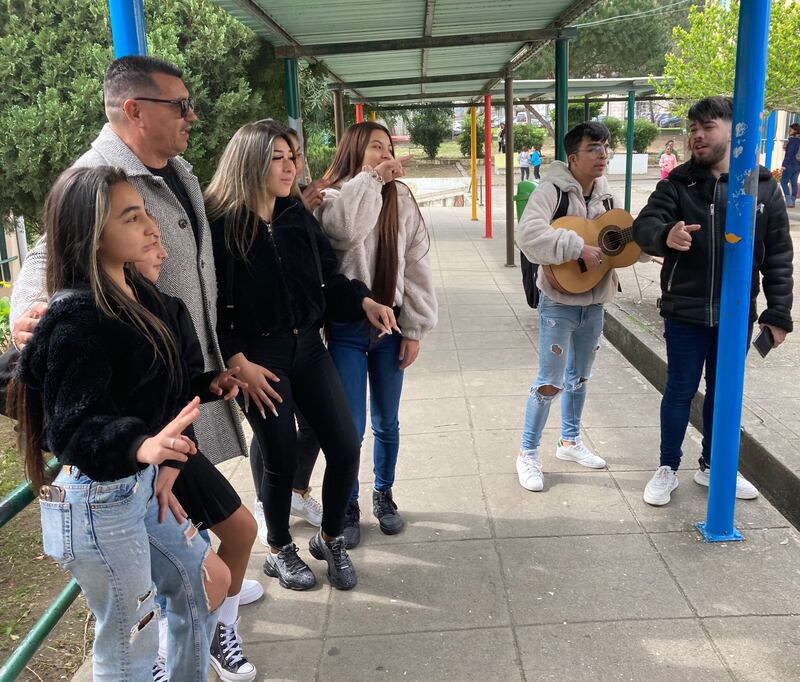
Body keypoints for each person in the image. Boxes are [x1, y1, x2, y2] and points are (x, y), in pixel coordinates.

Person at [9, 55, 260, 680]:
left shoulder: (169, 189)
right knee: (130, 640)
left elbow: (166, 348)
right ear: (135, 110)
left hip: (148, 466)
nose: (192, 117)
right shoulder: (94, 189)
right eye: (181, 105)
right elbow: (47, 266)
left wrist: (208, 379)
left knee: (197, 587)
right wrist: (29, 318)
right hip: (109, 489)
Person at [206, 119, 399, 591]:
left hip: (309, 347)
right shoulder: (220, 226)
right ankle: (278, 550)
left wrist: (364, 301)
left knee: (344, 444)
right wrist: (236, 360)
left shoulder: (296, 215)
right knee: (280, 455)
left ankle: (330, 539)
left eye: (293, 157)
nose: (290, 167)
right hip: (258, 360)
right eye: (277, 158)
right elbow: (208, 305)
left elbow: (329, 281)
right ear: (249, 163)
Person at [633, 96, 793, 506]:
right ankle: (667, 466)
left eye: (707, 127)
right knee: (680, 390)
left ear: (736, 131)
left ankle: (715, 466)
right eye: (693, 128)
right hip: (684, 312)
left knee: (726, 393)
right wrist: (665, 235)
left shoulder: (763, 186)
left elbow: (778, 255)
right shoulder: (678, 183)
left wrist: (778, 313)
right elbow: (645, 225)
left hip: (736, 316)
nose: (696, 136)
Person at [316, 121, 438, 548]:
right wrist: (372, 180)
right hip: (347, 327)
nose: (385, 155)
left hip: (392, 327)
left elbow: (417, 264)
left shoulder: (401, 198)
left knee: (387, 420)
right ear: (354, 150)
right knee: (350, 427)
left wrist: (415, 327)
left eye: (388, 148)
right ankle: (347, 503)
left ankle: (383, 493)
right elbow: (346, 231)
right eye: (375, 148)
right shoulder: (332, 195)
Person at [514, 122, 638, 492]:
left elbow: (620, 238)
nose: (602, 154)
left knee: (580, 377)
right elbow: (527, 235)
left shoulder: (605, 194)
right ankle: (527, 453)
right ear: (573, 157)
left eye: (605, 147)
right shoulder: (552, 190)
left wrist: (652, 240)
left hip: (595, 301)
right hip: (558, 302)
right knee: (549, 381)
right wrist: (575, 247)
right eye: (593, 148)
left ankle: (569, 442)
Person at [780, 122, 800, 208]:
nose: (789, 131)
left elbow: (789, 154)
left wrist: (784, 165)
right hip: (798, 165)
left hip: (790, 164)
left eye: (790, 130)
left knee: (783, 182)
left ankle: (789, 202)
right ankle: (793, 201)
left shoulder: (792, 141)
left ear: (795, 131)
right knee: (794, 182)